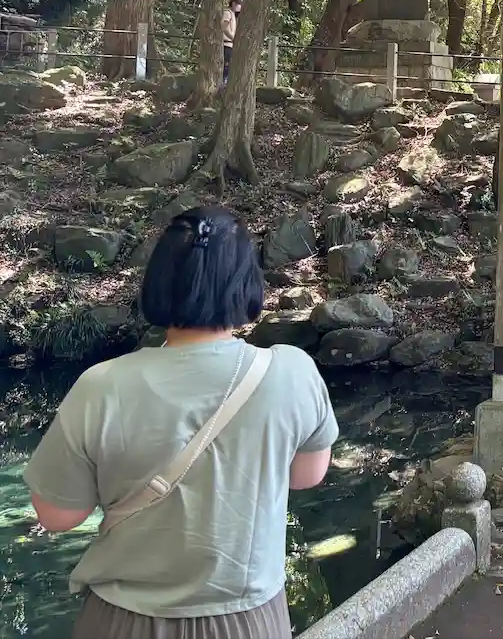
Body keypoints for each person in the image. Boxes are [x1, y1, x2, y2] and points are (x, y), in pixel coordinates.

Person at [25, 206, 338, 639]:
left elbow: (58, 515)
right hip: (249, 620)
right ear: (246, 283)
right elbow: (307, 475)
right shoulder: (292, 372)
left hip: (124, 621)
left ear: (159, 280)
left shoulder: (101, 386)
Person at [221, 0, 242, 87]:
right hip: (226, 43)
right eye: (239, 5)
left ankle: (225, 82)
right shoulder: (228, 13)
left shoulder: (233, 15)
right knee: (226, 66)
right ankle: (223, 83)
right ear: (234, 4)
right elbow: (224, 27)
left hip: (230, 44)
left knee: (229, 66)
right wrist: (232, 37)